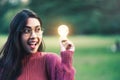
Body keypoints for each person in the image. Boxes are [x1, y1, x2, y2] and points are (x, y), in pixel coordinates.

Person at [0, 9, 75, 80]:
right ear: (16, 35)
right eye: (27, 31)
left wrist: (66, 58)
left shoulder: (50, 61)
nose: (34, 36)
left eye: (37, 30)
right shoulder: (3, 65)